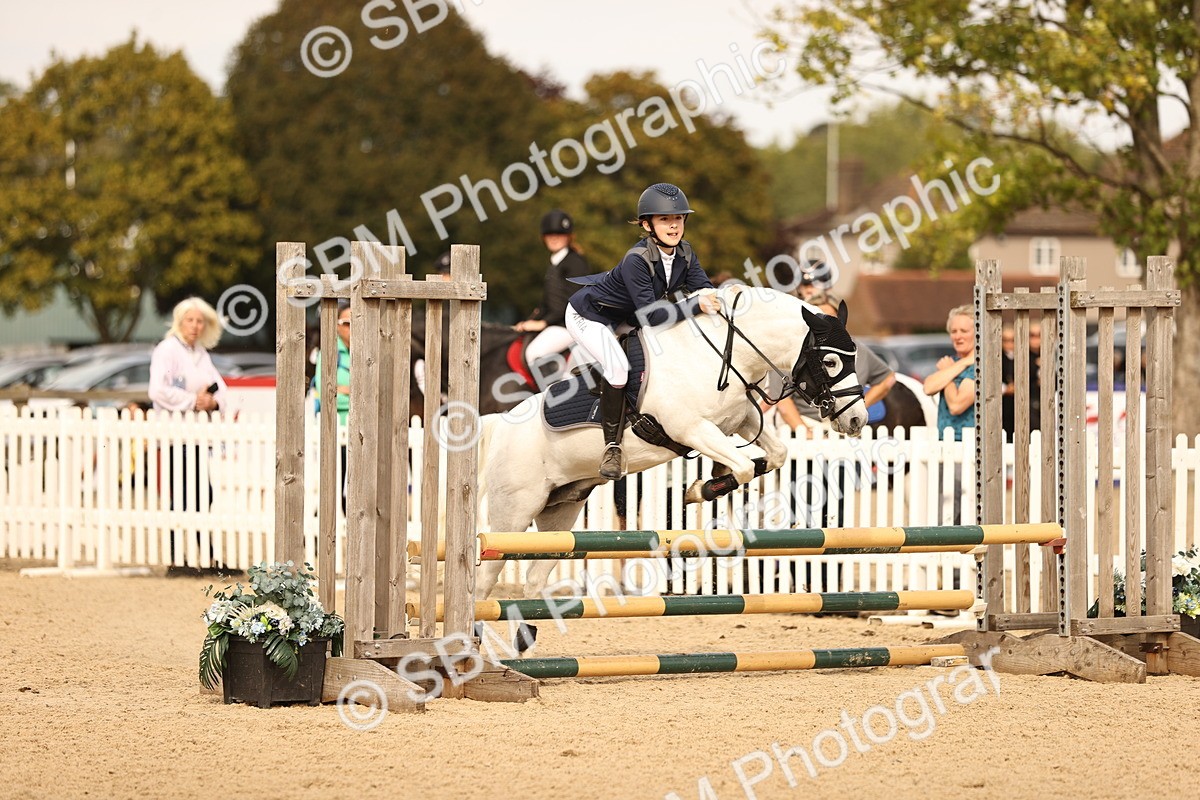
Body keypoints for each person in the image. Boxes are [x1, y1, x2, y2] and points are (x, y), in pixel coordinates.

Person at [566, 182, 720, 480]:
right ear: (648, 224)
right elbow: (651, 316)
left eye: (678, 218)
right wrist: (696, 306)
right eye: (665, 219)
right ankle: (612, 447)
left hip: (627, 315)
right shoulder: (636, 259)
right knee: (619, 369)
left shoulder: (685, 254)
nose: (674, 225)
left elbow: (705, 291)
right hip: (590, 315)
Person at [149, 297, 229, 575]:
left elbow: (222, 390)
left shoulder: (200, 353)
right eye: (190, 320)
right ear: (179, 321)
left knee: (200, 494)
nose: (195, 326)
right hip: (175, 434)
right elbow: (157, 390)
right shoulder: (167, 350)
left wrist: (213, 402)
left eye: (199, 321)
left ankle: (205, 558)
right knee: (184, 495)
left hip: (195, 435)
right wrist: (192, 401)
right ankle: (177, 560)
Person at [775, 291, 895, 436]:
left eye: (830, 318)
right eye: (820, 319)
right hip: (806, 428)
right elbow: (782, 401)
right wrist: (806, 434)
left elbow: (888, 379)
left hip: (846, 428)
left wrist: (856, 407)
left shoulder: (856, 348)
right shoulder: (793, 351)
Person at [515, 210, 593, 380]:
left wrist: (544, 322)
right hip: (557, 323)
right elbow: (547, 303)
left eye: (560, 234)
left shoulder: (575, 263)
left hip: (570, 325)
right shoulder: (555, 262)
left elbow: (573, 301)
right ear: (544, 237)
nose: (555, 238)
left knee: (534, 353)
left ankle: (556, 397)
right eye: (550, 234)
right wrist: (531, 320)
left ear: (569, 237)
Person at [923, 304, 976, 523]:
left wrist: (946, 375)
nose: (958, 336)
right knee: (942, 509)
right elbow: (928, 387)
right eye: (954, 331)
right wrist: (958, 365)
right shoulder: (957, 363)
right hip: (944, 446)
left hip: (968, 447)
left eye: (964, 331)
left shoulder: (980, 366)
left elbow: (956, 404)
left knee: (962, 509)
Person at [313, 301, 352, 512]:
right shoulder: (328, 353)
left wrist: (345, 389)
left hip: (357, 429)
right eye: (346, 322)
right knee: (333, 482)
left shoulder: (365, 352)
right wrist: (352, 393)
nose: (351, 327)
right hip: (335, 428)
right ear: (336, 326)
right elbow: (327, 392)